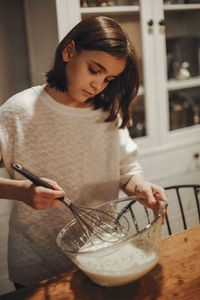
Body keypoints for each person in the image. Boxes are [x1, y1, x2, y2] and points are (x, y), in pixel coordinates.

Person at [0, 16, 167, 288]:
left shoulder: (107, 112)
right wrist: (23, 192)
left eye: (108, 78)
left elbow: (126, 171)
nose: (97, 85)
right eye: (94, 70)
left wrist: (140, 186)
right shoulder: (17, 112)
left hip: (103, 254)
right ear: (68, 52)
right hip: (38, 266)